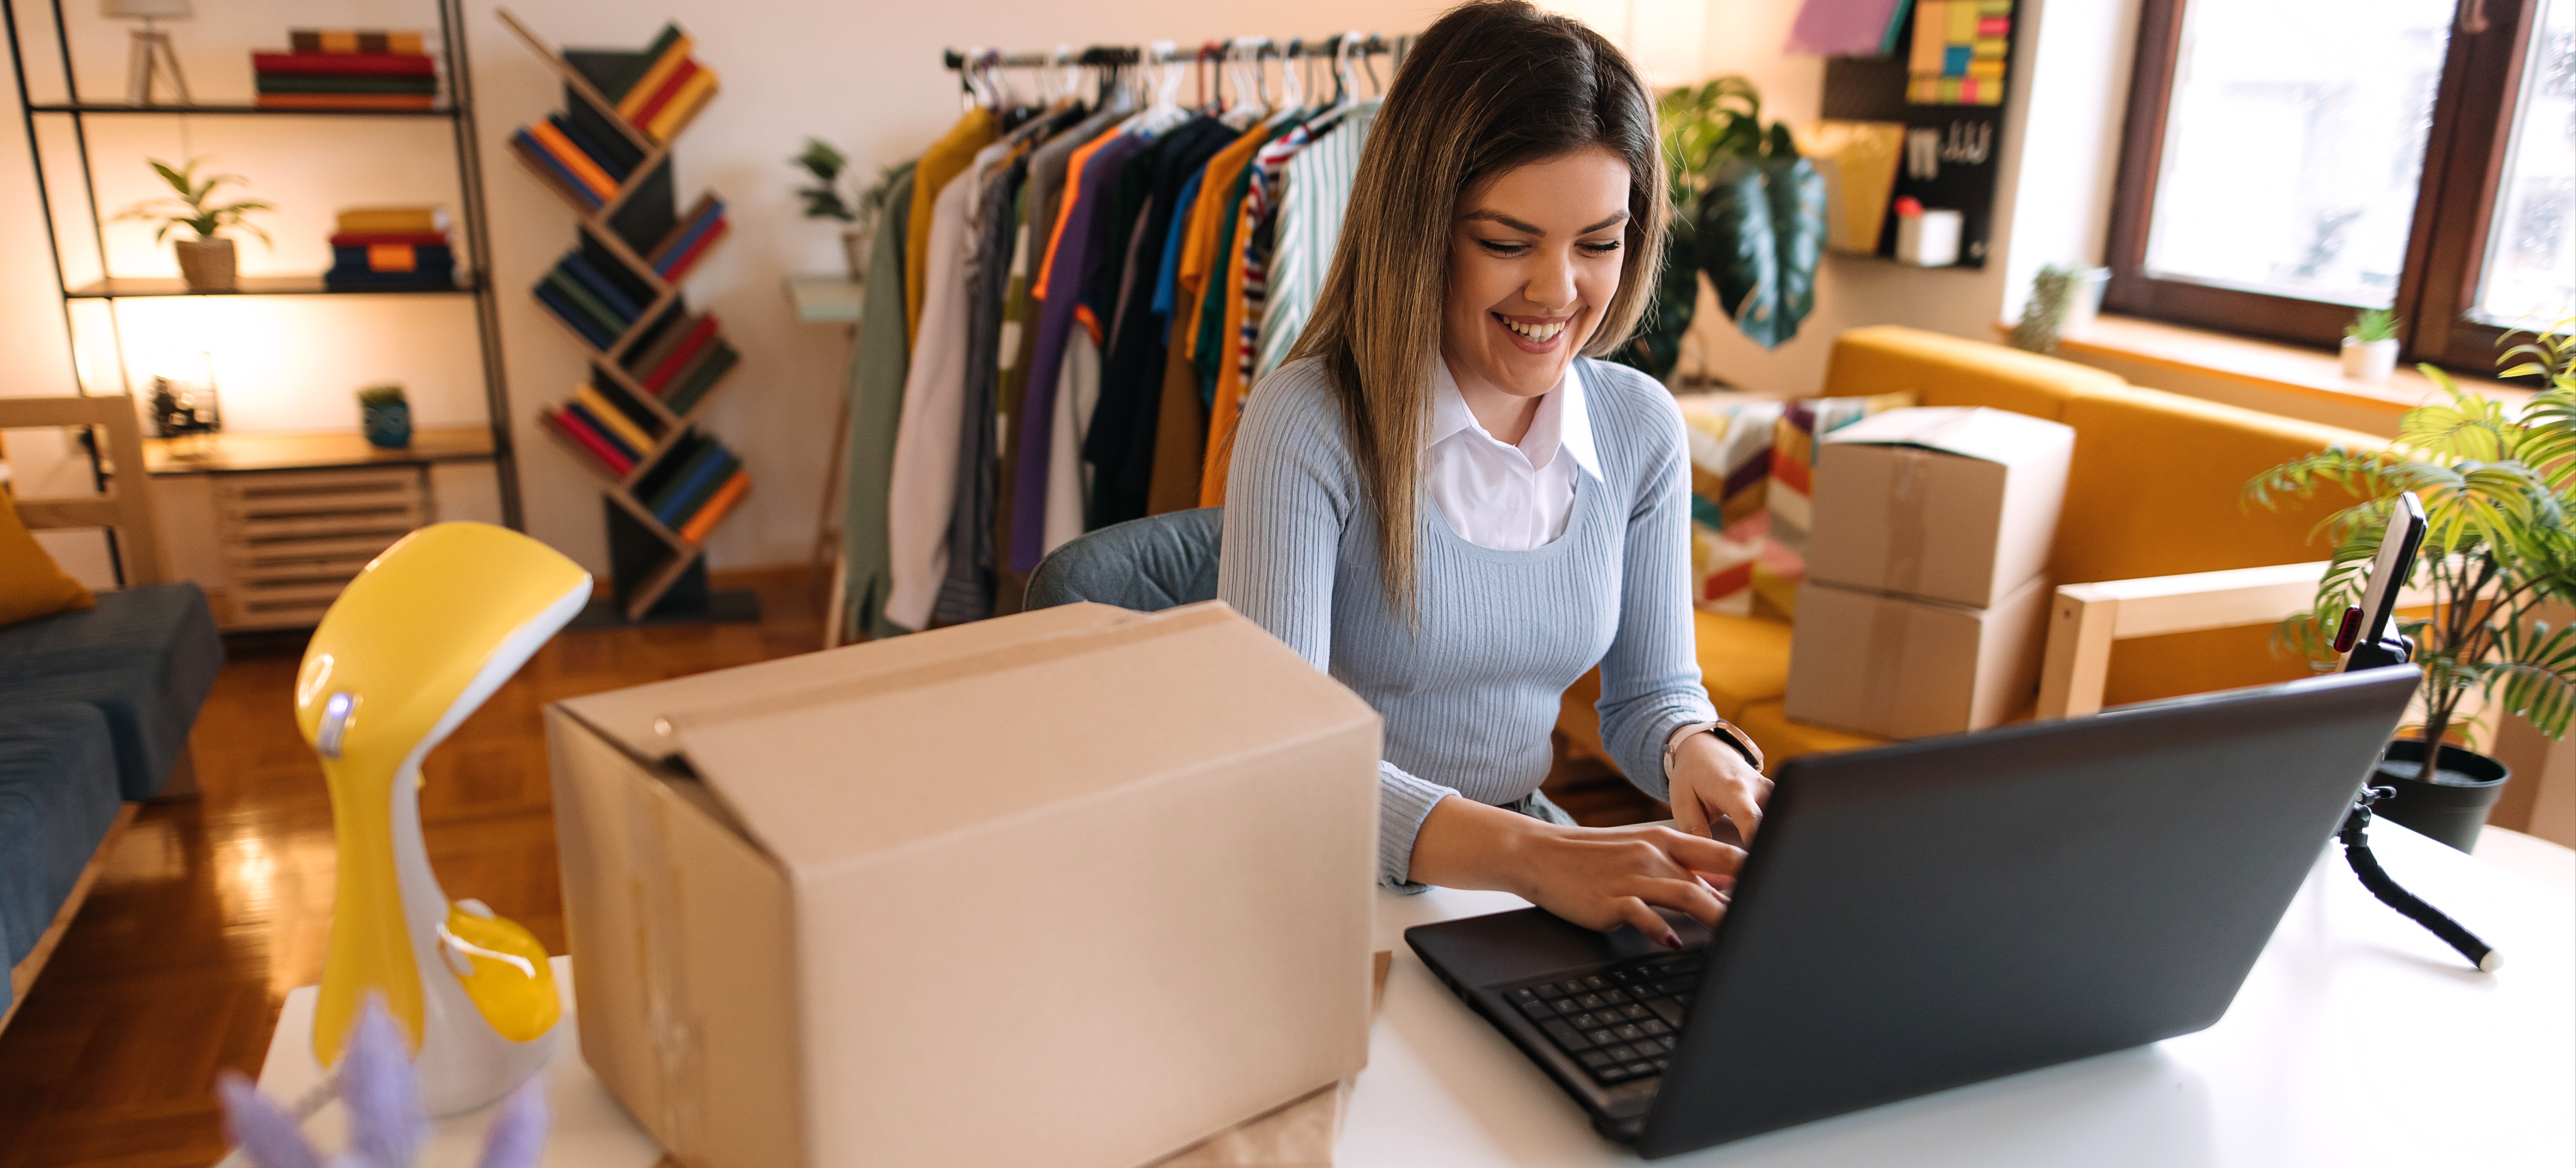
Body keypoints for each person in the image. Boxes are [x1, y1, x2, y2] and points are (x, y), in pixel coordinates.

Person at [1218, 0, 1768, 948]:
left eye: (1599, 243)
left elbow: (1648, 698)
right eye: (1507, 243)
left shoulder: (1640, 431)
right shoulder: (1307, 424)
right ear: (1420, 228)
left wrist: (1695, 750)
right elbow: (1284, 763)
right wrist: (1529, 855)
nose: (1558, 294)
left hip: (1516, 875)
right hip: (1318, 877)